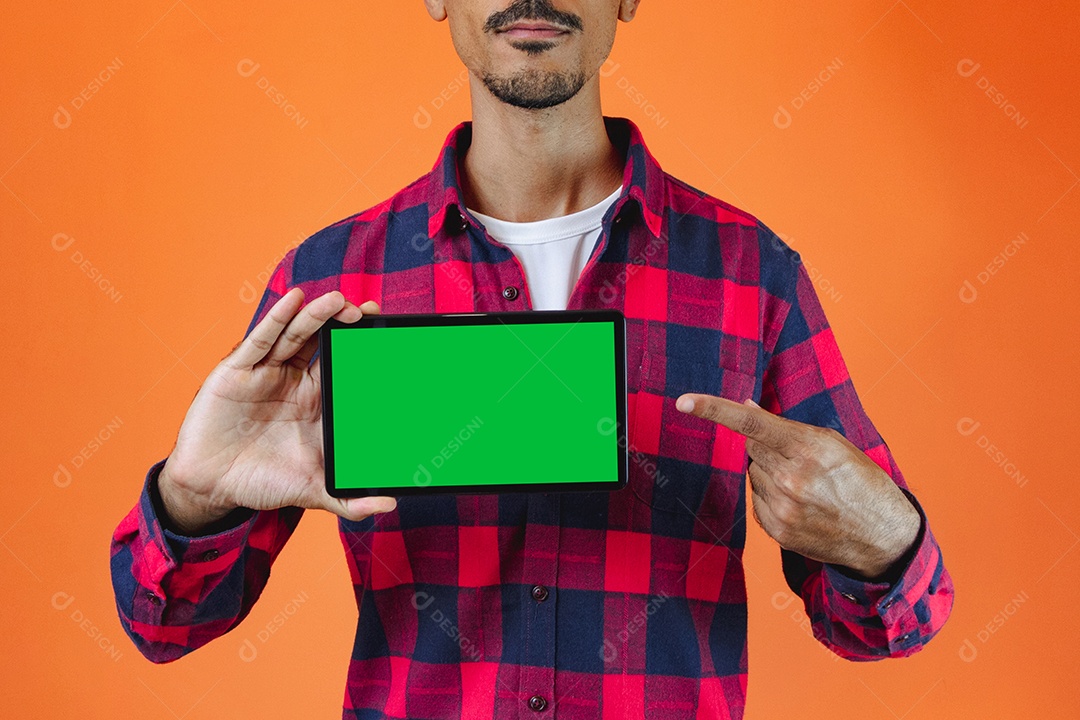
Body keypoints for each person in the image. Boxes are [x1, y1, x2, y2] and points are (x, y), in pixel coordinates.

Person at [109, 1, 955, 718]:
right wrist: (192, 497)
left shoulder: (751, 272)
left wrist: (886, 543)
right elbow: (166, 623)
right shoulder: (330, 281)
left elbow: (885, 624)